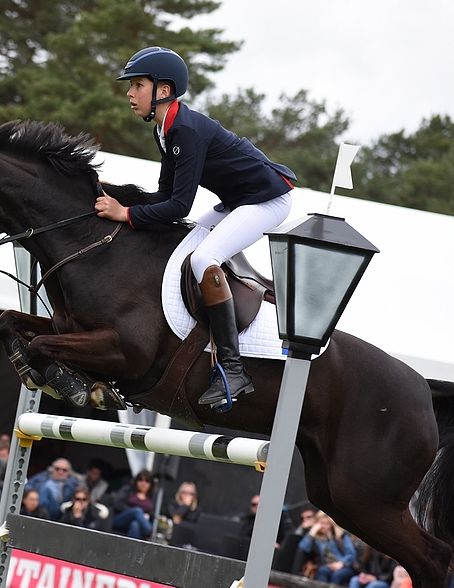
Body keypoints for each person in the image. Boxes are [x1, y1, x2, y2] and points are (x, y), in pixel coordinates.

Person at [95, 47, 296, 408]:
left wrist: (125, 214)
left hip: (268, 200)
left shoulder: (185, 130)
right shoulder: (165, 130)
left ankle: (234, 369)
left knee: (204, 258)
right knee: (185, 245)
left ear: (163, 90)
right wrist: (115, 193)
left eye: (137, 85)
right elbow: (163, 194)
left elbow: (178, 206)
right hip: (239, 200)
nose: (129, 93)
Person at [297, 511, 357, 585]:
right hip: (325, 566)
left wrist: (341, 563)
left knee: (336, 575)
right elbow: (304, 548)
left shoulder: (340, 536)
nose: (324, 526)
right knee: (322, 570)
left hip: (344, 566)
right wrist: (312, 532)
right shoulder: (315, 537)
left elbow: (351, 554)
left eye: (327, 524)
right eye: (321, 523)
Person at [111, 470, 155, 539]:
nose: (143, 483)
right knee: (137, 511)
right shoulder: (127, 490)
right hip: (120, 519)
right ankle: (149, 532)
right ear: (136, 481)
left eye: (147, 481)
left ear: (151, 484)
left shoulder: (152, 498)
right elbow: (117, 504)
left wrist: (148, 516)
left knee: (135, 524)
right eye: (140, 480)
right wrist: (134, 513)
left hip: (138, 524)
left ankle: (131, 549)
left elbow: (153, 514)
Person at [164, 481, 202, 547]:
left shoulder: (197, 510)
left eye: (191, 493)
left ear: (194, 496)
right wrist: (186, 505)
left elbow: (196, 528)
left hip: (188, 541)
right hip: (172, 539)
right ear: (180, 493)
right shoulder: (173, 503)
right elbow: (175, 518)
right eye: (184, 492)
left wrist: (180, 522)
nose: (187, 495)